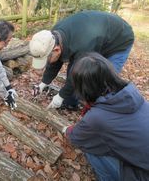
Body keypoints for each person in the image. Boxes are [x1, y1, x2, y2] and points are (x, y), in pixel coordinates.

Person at [62, 52, 149, 181]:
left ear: (83, 87)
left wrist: (67, 130)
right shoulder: (131, 93)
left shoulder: (97, 117)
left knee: (91, 147)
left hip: (142, 175)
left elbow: (77, 138)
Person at [29, 10, 134, 110]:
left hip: (119, 40)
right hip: (96, 38)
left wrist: (61, 96)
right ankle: (70, 103)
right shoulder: (52, 37)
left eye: (46, 59)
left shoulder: (82, 46)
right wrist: (43, 83)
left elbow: (76, 74)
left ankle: (99, 112)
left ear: (56, 49)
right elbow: (55, 62)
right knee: (74, 71)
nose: (47, 62)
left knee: (104, 79)